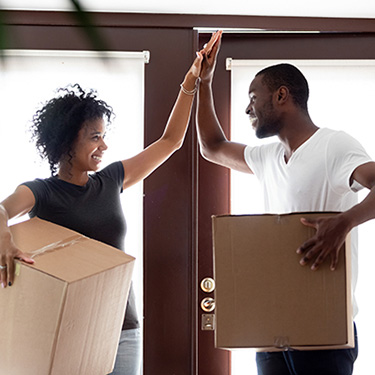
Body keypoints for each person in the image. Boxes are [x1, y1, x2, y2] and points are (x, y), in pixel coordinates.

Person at [0, 31, 221, 375]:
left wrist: (191, 80)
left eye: (104, 135)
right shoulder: (40, 192)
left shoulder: (112, 180)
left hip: (123, 328)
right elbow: (1, 209)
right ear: (66, 141)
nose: (104, 145)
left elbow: (171, 141)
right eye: (94, 137)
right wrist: (5, 238)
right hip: (65, 327)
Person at [196, 31, 375, 375]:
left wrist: (344, 222)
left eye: (254, 97)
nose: (248, 108)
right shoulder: (269, 158)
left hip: (324, 330)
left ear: (281, 96)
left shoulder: (333, 146)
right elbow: (212, 147)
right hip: (273, 331)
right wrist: (203, 83)